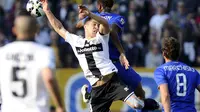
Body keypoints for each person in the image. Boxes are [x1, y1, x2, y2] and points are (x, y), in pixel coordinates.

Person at [41, 0, 158, 111]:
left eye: (98, 25)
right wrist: (47, 11)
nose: (97, 27)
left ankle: (158, 106)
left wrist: (90, 14)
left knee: (137, 104)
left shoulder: (101, 38)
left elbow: (106, 24)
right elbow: (59, 28)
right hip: (97, 90)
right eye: (94, 24)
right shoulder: (76, 41)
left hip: (113, 82)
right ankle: (89, 92)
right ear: (85, 26)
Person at [77, 0, 161, 111]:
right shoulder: (118, 18)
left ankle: (89, 93)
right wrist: (122, 52)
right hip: (114, 63)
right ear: (112, 5)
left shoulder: (92, 17)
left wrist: (84, 18)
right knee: (140, 93)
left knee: (103, 92)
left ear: (99, 5)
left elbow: (78, 25)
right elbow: (112, 31)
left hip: (99, 64)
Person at [0, 10, 64, 112]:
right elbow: (49, 78)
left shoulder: (3, 52)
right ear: (36, 30)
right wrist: (60, 106)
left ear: (14, 30)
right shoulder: (44, 52)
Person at [154, 37, 200, 112]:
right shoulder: (193, 71)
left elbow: (165, 95)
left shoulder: (161, 71)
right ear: (179, 52)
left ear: (163, 53)